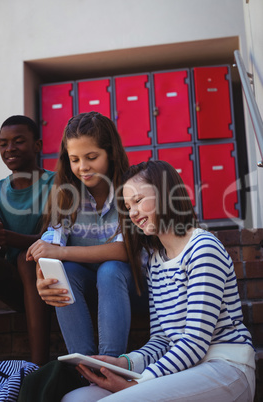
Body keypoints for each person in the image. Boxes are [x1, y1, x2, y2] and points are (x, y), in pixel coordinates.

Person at [61, 160, 256, 402]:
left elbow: (195, 342)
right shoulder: (156, 262)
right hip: (182, 369)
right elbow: (163, 339)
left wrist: (137, 383)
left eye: (139, 201)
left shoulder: (202, 248)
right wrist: (124, 362)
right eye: (127, 206)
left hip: (225, 367)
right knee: (76, 399)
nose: (132, 213)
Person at [26, 111, 147, 358]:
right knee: (65, 272)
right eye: (74, 159)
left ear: (111, 153)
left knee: (110, 269)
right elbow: (52, 242)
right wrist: (43, 274)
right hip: (89, 290)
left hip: (133, 288)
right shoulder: (66, 194)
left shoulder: (129, 189)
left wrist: (60, 252)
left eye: (91, 157)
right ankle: (83, 367)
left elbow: (124, 250)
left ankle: (109, 363)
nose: (83, 167)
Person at [0, 115, 55, 365]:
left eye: (18, 141)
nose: (9, 149)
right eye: (3, 143)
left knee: (27, 258)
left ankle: (38, 368)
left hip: (50, 282)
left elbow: (54, 238)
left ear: (37, 146)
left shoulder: (57, 184)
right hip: (13, 288)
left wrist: (8, 237)